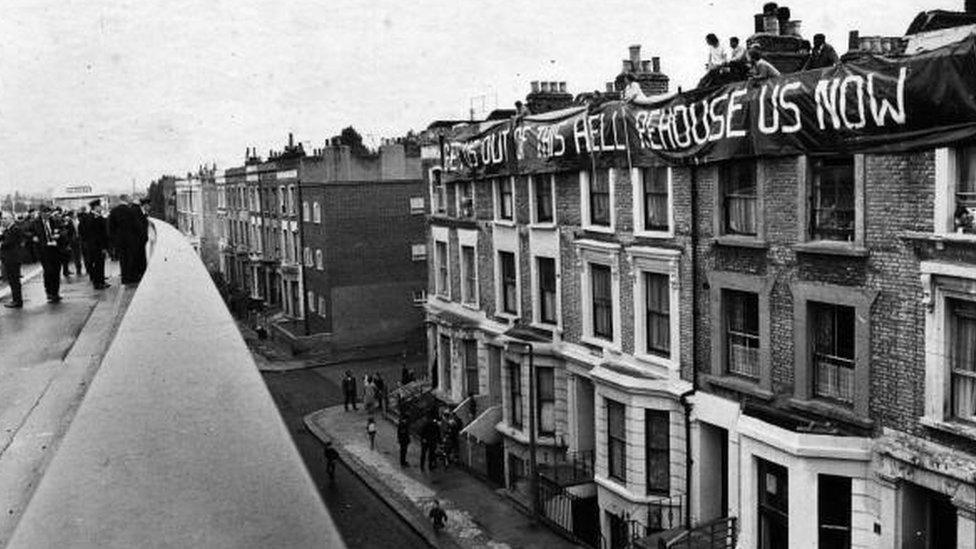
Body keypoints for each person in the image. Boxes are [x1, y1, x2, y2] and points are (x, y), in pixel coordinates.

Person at [31, 206, 66, 303]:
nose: (47, 214)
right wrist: (33, 237)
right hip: (44, 250)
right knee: (48, 271)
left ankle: (56, 293)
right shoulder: (35, 223)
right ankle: (49, 292)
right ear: (41, 213)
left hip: (55, 249)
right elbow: (27, 232)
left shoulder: (55, 221)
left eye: (48, 212)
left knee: (56, 271)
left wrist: (59, 235)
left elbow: (64, 230)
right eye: (44, 212)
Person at [108, 195, 143, 285]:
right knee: (131, 258)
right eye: (129, 198)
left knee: (123, 260)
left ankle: (125, 278)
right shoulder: (130, 211)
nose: (130, 199)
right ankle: (131, 277)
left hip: (120, 241)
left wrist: (114, 241)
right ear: (125, 200)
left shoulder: (114, 211)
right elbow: (137, 226)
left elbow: (110, 228)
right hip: (131, 240)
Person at [78, 199, 110, 289]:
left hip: (96, 245)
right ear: (95, 207)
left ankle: (101, 281)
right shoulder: (91, 218)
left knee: (100, 263)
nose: (101, 207)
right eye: (99, 206)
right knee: (96, 264)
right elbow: (82, 231)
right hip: (95, 246)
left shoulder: (94, 217)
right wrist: (88, 242)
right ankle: (97, 283)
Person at [0, 213, 28, 308]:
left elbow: (7, 243)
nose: (2, 220)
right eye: (2, 219)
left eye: (4, 219)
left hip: (12, 258)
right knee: (12, 281)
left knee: (14, 281)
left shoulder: (14, 229)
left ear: (10, 219)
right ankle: (16, 299)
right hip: (10, 258)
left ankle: (17, 301)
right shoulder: (9, 229)